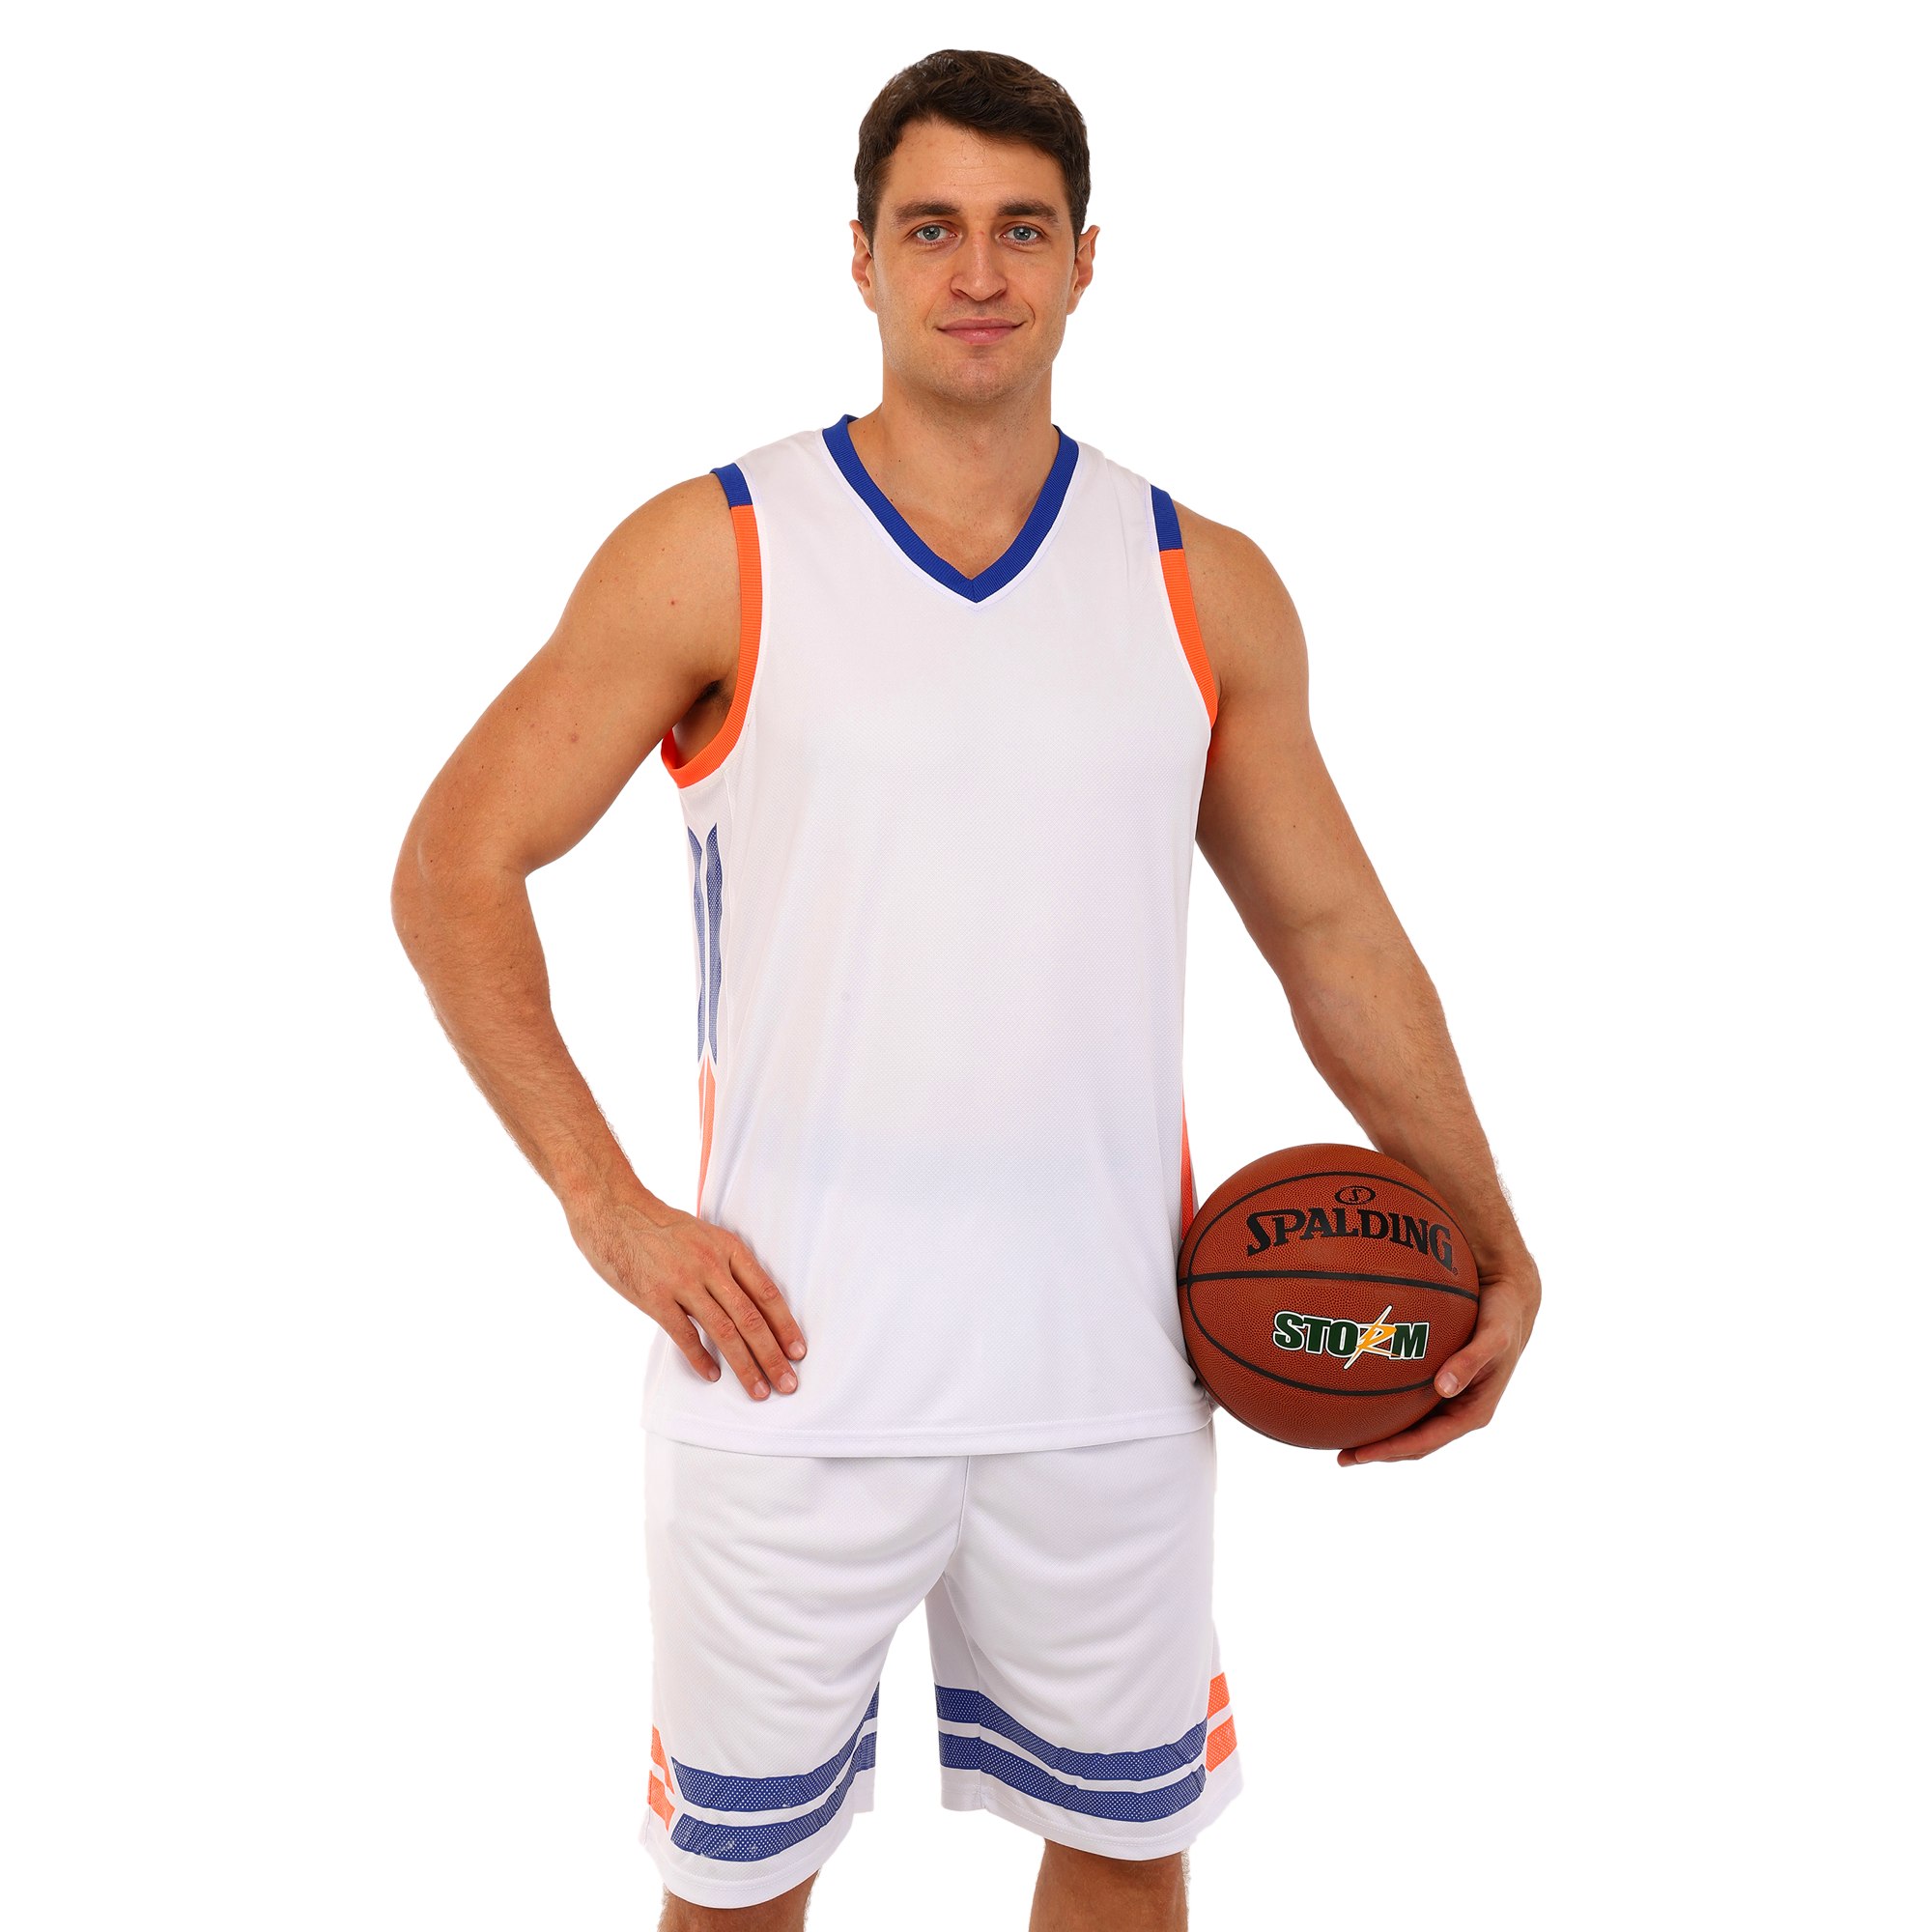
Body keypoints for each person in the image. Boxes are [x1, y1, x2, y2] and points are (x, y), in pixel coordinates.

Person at [390, 46, 1540, 1932]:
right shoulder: (721, 549)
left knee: (1126, 1859)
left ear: (1088, 258)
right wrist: (606, 1206)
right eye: (932, 228)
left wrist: (1492, 1234)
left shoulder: (1198, 580)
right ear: (860, 257)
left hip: (1112, 1370)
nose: (980, 271)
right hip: (785, 1378)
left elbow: (1331, 935)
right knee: (736, 1894)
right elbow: (456, 863)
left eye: (1022, 228)